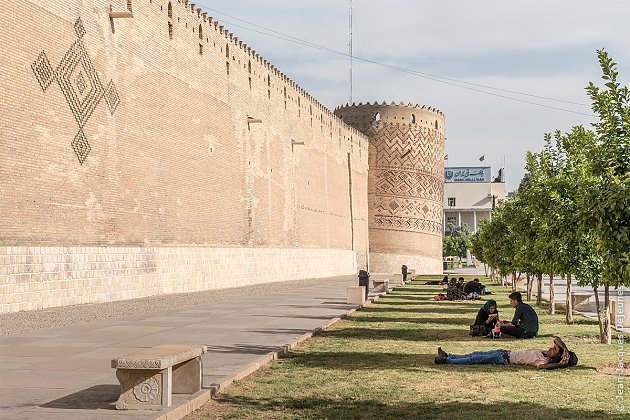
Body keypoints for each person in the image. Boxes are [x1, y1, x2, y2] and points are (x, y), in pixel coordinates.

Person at [434, 337, 577, 369]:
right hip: (503, 352)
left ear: (556, 357)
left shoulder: (543, 361)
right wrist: (565, 349)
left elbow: (542, 368)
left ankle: (446, 361)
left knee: (475, 358)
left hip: (503, 359)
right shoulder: (543, 353)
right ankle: (448, 355)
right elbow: (557, 339)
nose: (552, 347)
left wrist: (560, 363)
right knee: (474, 354)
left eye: (555, 349)